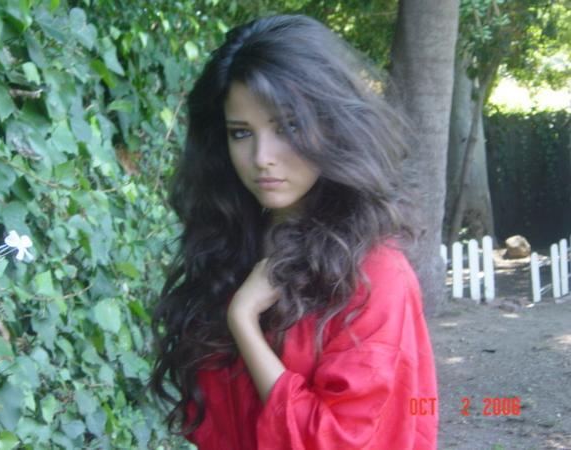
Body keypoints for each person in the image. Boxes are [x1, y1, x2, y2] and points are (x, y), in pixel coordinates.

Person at [150, 14, 438, 450]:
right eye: (241, 133)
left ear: (333, 125)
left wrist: (244, 322)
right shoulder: (232, 250)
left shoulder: (375, 276)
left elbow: (339, 441)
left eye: (288, 127)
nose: (261, 157)